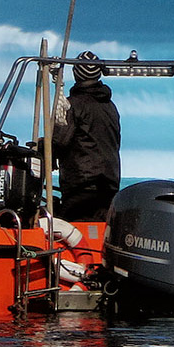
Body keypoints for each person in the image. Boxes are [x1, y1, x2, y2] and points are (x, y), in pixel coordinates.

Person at [53, 52, 122, 222]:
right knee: (98, 232)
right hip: (109, 183)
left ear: (76, 73)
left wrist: (40, 148)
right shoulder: (110, 107)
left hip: (82, 184)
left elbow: (58, 142)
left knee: (76, 229)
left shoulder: (73, 105)